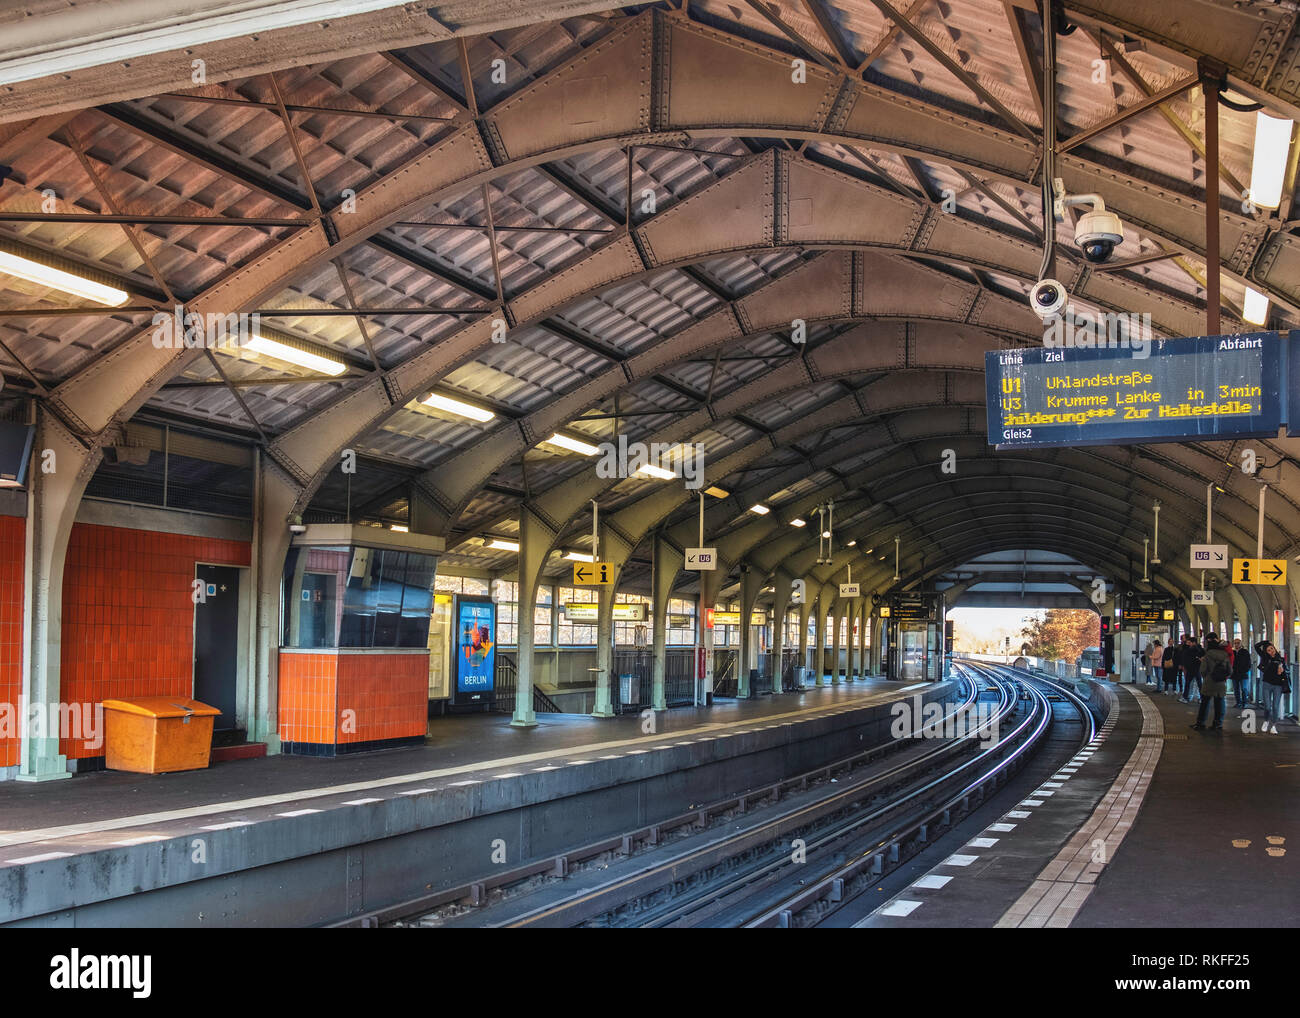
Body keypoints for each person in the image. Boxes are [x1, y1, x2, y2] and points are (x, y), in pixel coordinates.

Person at [1192, 635, 1230, 730]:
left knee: (1205, 703)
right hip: (1221, 682)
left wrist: (1206, 676)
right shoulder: (1225, 654)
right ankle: (1218, 723)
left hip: (1209, 681)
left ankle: (1201, 723)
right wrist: (1223, 677)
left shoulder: (1208, 655)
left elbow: (1203, 670)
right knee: (1220, 702)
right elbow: (1230, 670)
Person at [1255, 640, 1288, 734]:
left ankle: (1273, 726)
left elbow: (1285, 673)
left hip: (1278, 685)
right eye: (1269, 650)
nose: (1271, 651)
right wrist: (1265, 641)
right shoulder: (1265, 657)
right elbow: (1256, 646)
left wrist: (1282, 670)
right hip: (1267, 684)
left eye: (1272, 648)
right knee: (1268, 706)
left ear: (1275, 648)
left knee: (1275, 706)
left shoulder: (1281, 659)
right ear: (1266, 652)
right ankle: (1266, 721)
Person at [1181, 634, 1205, 703]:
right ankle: (1201, 698)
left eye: (1190, 643)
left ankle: (1186, 697)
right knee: (1199, 683)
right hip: (1196, 668)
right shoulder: (1200, 649)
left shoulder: (1191, 650)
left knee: (1189, 683)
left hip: (1192, 669)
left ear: (1193, 642)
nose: (1188, 644)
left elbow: (1187, 658)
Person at [1230, 638, 1252, 709]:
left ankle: (1244, 702)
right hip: (1234, 674)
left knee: (1244, 688)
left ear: (1241, 644)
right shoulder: (1232, 652)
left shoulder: (1245, 652)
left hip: (1243, 674)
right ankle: (1238, 702)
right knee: (1236, 689)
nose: (1236, 644)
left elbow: (1248, 662)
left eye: (1238, 643)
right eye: (1235, 643)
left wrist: (1246, 670)